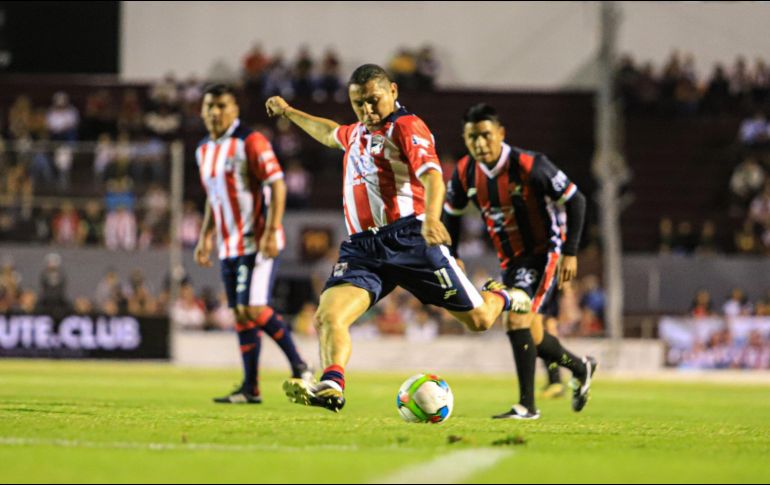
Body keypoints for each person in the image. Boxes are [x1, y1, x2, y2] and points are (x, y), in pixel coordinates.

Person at [265, 64, 528, 412]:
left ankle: (503, 296)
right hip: (363, 249)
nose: (367, 110)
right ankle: (332, 383)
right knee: (329, 315)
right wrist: (288, 112)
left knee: (479, 320)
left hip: (410, 240)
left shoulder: (406, 127)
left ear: (393, 91)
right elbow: (329, 133)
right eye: (358, 103)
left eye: (373, 100)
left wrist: (431, 218)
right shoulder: (357, 133)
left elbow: (433, 177)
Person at [443, 103, 597, 420]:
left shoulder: (530, 165)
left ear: (501, 133)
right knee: (533, 334)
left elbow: (576, 200)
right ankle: (581, 367)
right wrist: (453, 254)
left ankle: (527, 406)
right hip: (511, 260)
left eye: (486, 135)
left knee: (515, 320)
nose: (480, 143)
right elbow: (451, 216)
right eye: (472, 137)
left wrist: (570, 251)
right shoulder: (465, 171)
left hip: (543, 253)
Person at [194, 84, 312, 404]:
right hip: (229, 245)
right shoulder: (203, 149)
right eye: (209, 106)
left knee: (254, 309)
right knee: (240, 315)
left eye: (221, 105)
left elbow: (278, 184)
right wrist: (206, 235)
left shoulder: (250, 141)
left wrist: (271, 231)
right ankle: (251, 388)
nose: (215, 112)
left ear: (235, 109)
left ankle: (301, 366)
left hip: (256, 240)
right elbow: (214, 197)